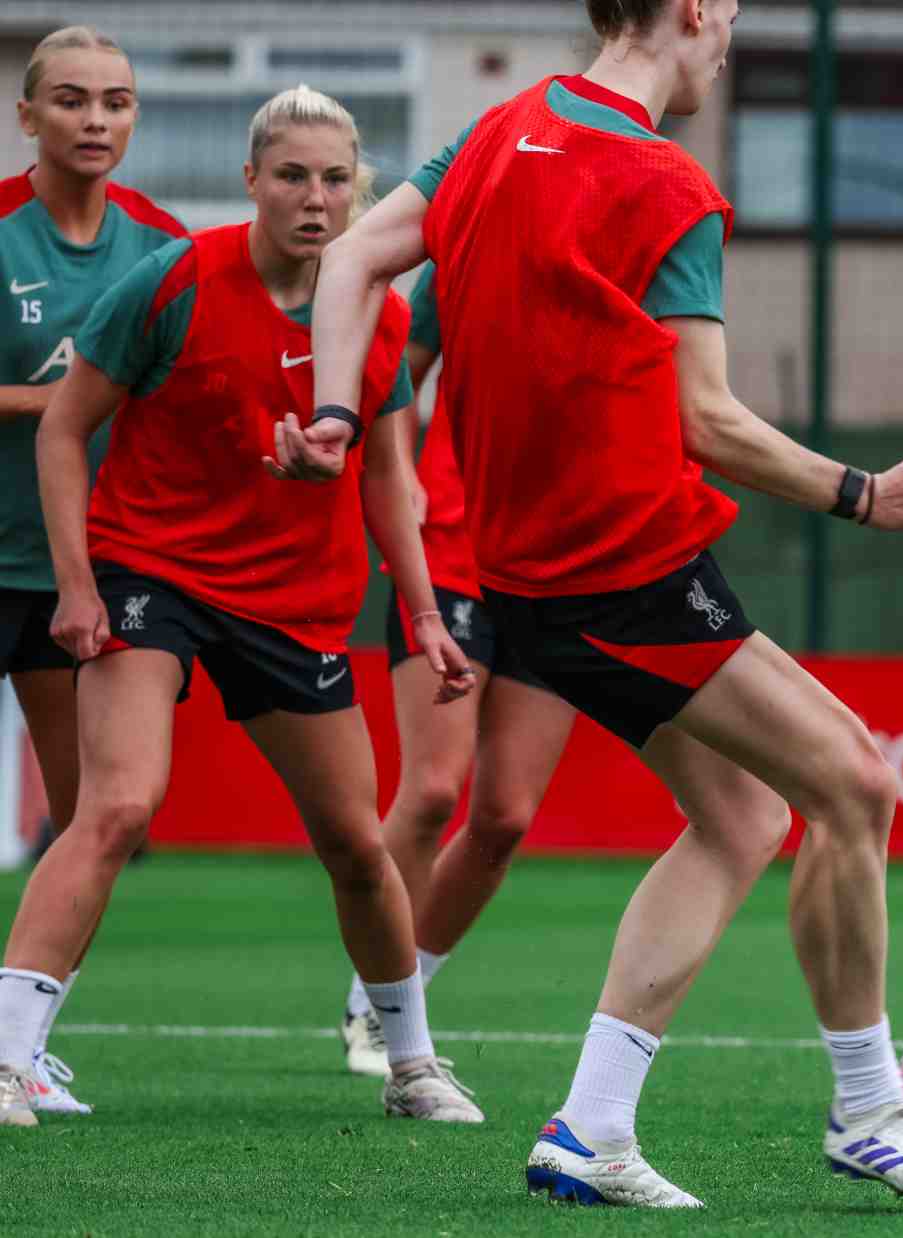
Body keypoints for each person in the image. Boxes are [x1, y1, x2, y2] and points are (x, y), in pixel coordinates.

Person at [297, 0, 903, 1206]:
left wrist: (335, 414)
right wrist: (862, 491)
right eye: (727, 14)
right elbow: (706, 417)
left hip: (523, 572)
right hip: (622, 566)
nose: (728, 37)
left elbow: (356, 256)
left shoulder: (490, 136)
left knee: (740, 821)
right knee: (856, 782)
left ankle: (590, 1129)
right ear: (689, 11)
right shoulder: (664, 185)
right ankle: (873, 1110)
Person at [0, 85, 486, 1130]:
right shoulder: (171, 278)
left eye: (336, 179)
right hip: (153, 570)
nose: (316, 198)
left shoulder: (381, 309)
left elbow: (387, 480)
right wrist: (79, 588)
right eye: (293, 176)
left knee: (356, 841)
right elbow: (62, 430)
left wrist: (427, 614)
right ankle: (4, 1062)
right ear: (251, 183)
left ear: (358, 187)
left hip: (296, 602)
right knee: (119, 805)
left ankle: (409, 1061)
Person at [0, 24, 186, 1118]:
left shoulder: (162, 244)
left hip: (78, 570)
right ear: (29, 117)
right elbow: (86, 405)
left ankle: (21, 1044)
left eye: (116, 101)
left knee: (94, 823)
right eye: (71, 101)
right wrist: (65, 404)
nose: (97, 120)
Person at [334, 261, 581, 1079]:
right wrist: (399, 477)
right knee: (436, 787)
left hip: (561, 565)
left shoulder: (639, 259)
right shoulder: (468, 260)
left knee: (505, 815)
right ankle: (380, 1002)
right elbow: (395, 385)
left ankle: (406, 986)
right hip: (450, 551)